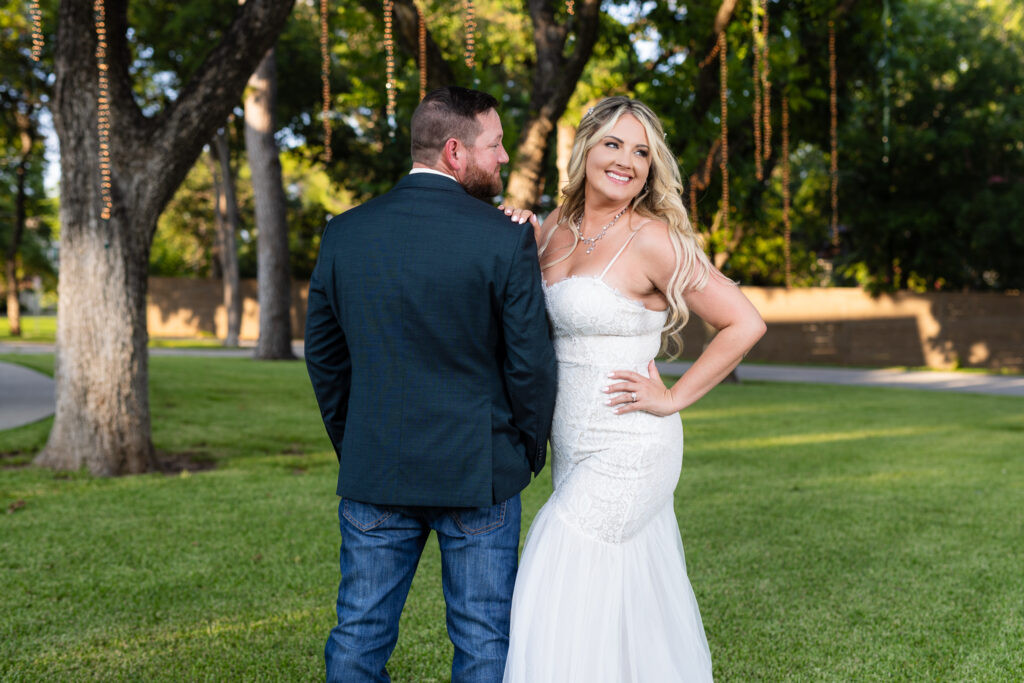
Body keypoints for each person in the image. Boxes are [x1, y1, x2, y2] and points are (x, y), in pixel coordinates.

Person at [501, 97, 766, 682]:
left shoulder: (653, 239)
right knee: (609, 597)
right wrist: (516, 230)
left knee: (555, 564)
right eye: (614, 145)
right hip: (571, 447)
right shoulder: (551, 230)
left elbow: (744, 321)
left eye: (642, 152)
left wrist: (672, 398)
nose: (627, 161)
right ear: (586, 149)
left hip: (630, 447)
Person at [305, 86, 558, 683]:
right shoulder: (503, 237)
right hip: (479, 471)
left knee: (359, 636)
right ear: (454, 151)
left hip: (378, 467)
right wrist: (522, 451)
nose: (502, 158)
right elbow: (530, 363)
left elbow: (324, 358)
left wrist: (358, 440)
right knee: (483, 638)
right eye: (494, 145)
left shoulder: (344, 233)